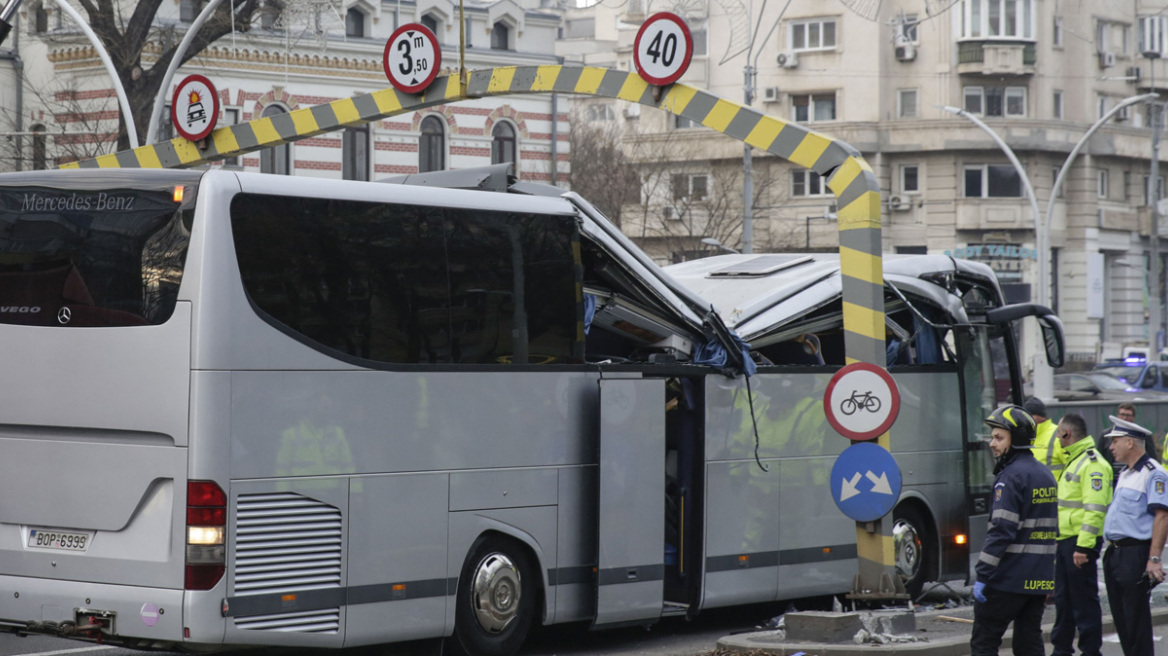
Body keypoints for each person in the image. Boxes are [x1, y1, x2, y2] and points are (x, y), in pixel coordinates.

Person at [970, 405, 1058, 656]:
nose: (992, 444)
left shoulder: (1010, 477)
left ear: (1016, 439)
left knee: (984, 642)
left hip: (1008, 579)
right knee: (1028, 643)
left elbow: (1002, 530)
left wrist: (983, 575)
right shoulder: (1045, 474)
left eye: (999, 438)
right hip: (1038, 579)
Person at [1101, 415, 1168, 656]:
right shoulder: (1126, 474)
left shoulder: (1153, 473)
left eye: (1115, 441)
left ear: (1130, 442)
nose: (1111, 447)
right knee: (1123, 622)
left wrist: (1154, 558)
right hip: (1116, 553)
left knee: (1135, 622)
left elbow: (1162, 516)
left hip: (1134, 554)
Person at [1050, 413, 1112, 656]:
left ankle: (1090, 651)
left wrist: (1083, 547)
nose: (1057, 439)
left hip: (1079, 543)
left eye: (1058, 434)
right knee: (1063, 600)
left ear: (1067, 434)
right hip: (1067, 541)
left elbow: (1094, 511)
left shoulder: (1092, 464)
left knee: (1084, 602)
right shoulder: (1075, 460)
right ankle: (1061, 649)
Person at [1025, 397, 1064, 478]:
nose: (1026, 418)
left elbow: (1071, 465)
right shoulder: (1024, 435)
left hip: (1054, 486)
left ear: (1042, 417)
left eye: (1029, 415)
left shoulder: (1058, 434)